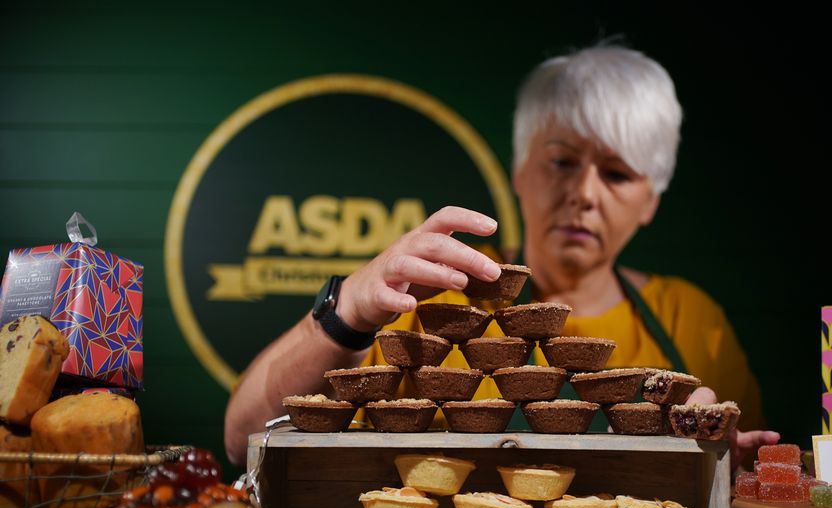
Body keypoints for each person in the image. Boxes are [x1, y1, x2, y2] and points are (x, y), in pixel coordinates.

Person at [224, 44, 780, 469]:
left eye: (616, 174)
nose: (585, 193)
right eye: (562, 162)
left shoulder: (694, 323)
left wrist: (723, 473)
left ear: (650, 201)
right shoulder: (437, 292)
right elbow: (241, 435)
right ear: (519, 170)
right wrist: (348, 307)